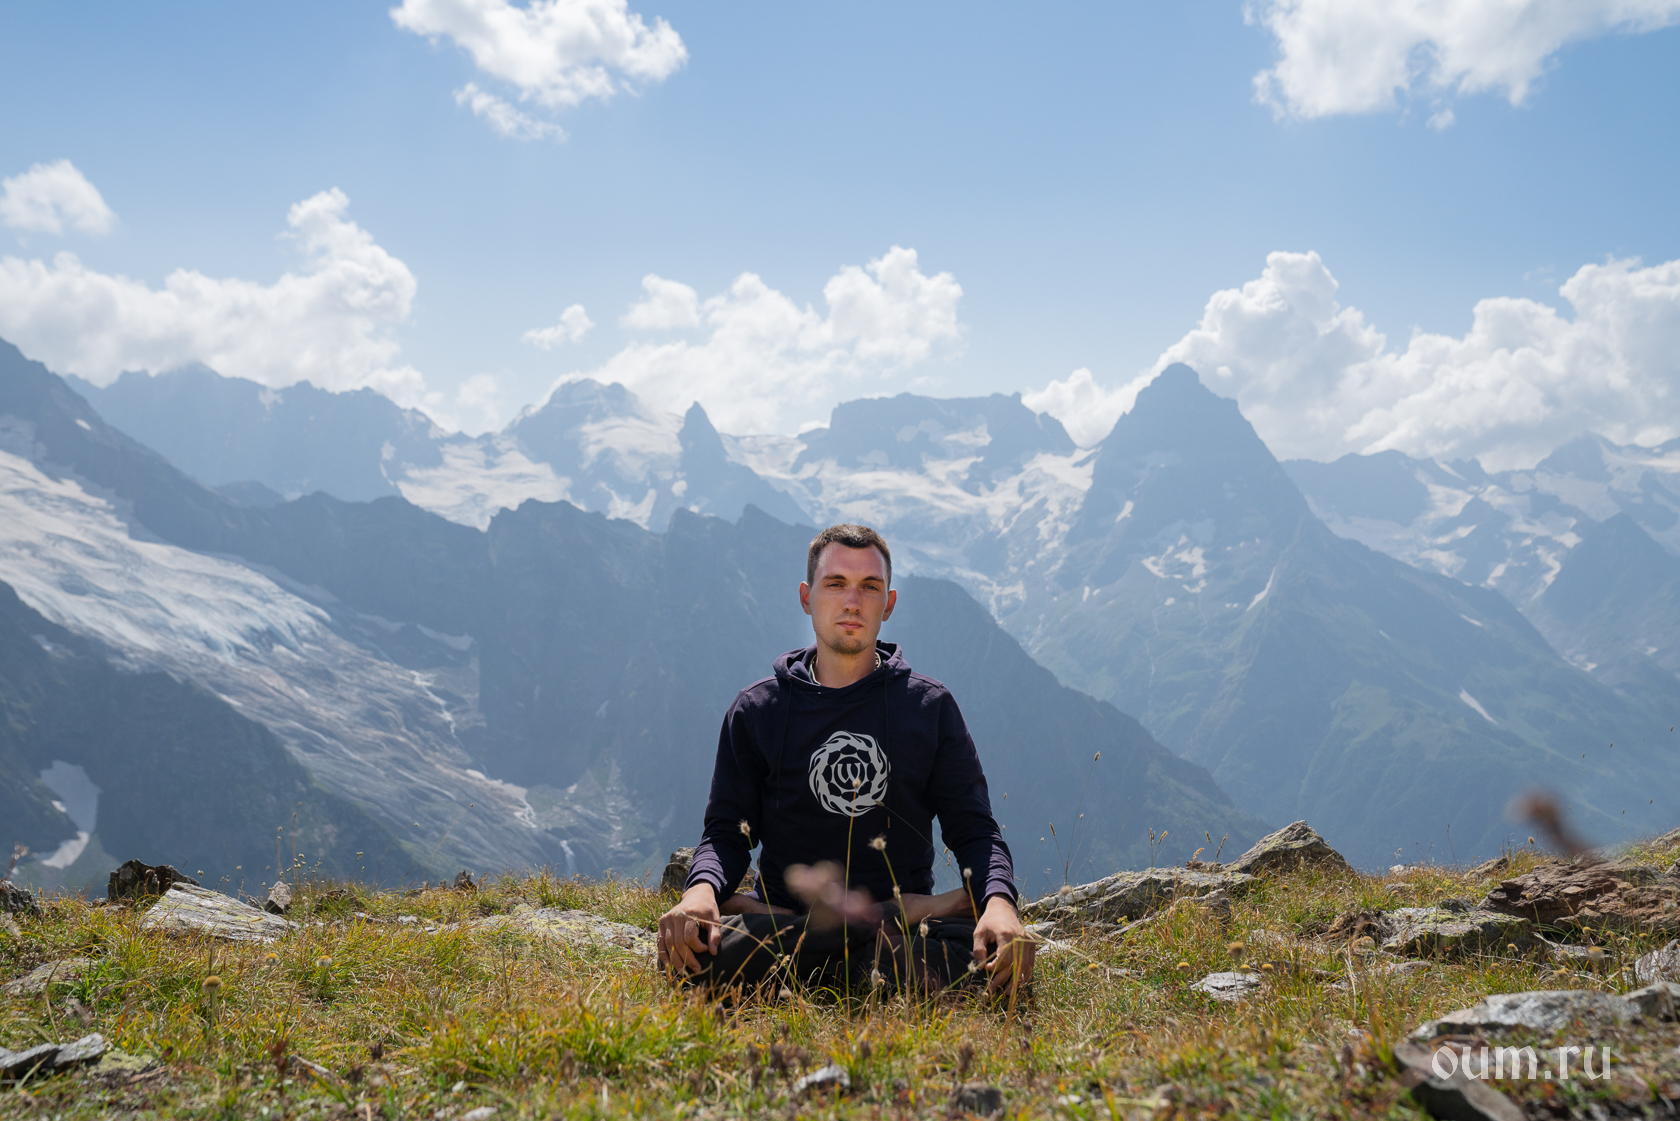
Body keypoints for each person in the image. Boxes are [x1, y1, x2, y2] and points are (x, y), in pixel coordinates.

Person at [656, 523, 1034, 998]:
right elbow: (726, 836)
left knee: (993, 969)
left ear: (888, 604)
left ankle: (823, 946)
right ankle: (870, 932)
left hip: (843, 936)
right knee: (690, 958)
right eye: (835, 584)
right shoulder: (758, 710)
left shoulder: (929, 708)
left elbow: (975, 832)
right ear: (807, 597)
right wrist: (701, 893)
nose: (852, 602)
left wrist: (998, 904)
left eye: (869, 587)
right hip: (824, 928)